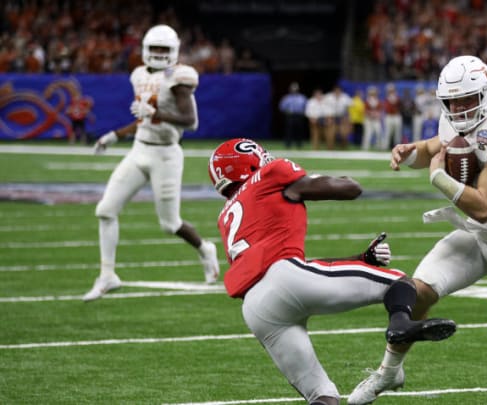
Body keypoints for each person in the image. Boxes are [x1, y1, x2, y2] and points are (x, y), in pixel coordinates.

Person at [349, 55, 487, 405]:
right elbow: (434, 147)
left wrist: (438, 179)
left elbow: (485, 207)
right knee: (415, 292)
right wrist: (410, 151)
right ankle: (389, 372)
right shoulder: (452, 122)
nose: (460, 109)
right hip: (477, 236)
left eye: (467, 100)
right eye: (452, 101)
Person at [207, 138, 457, 405]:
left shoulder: (226, 215)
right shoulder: (272, 173)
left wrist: (360, 259)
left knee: (323, 396)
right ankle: (401, 325)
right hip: (286, 277)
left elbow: (300, 270)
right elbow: (350, 189)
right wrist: (341, 180)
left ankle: (399, 329)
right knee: (399, 284)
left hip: (257, 309)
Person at [83, 24, 220, 302]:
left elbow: (190, 122)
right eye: (154, 48)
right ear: (145, 49)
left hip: (166, 155)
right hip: (139, 150)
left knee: (170, 224)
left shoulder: (179, 78)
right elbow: (144, 118)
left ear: (174, 51)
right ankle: (107, 275)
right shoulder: (138, 75)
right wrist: (114, 135)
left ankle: (205, 249)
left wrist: (156, 112)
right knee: (105, 210)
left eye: (163, 49)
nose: (158, 54)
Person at [278, 82, 307, 149]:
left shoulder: (302, 97)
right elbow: (282, 107)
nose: (294, 90)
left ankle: (299, 144)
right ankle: (288, 144)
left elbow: (305, 106)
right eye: (293, 89)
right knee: (289, 131)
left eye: (295, 89)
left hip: (299, 116)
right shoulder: (287, 98)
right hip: (290, 116)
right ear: (290, 89)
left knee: (299, 130)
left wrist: (303, 112)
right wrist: (287, 111)